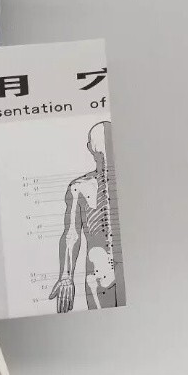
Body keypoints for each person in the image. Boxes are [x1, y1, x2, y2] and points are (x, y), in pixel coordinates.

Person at [49, 121, 122, 313]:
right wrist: (66, 275)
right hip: (99, 275)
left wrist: (66, 276)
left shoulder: (79, 187)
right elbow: (72, 234)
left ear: (89, 147)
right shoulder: (79, 188)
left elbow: (71, 234)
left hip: (106, 273)